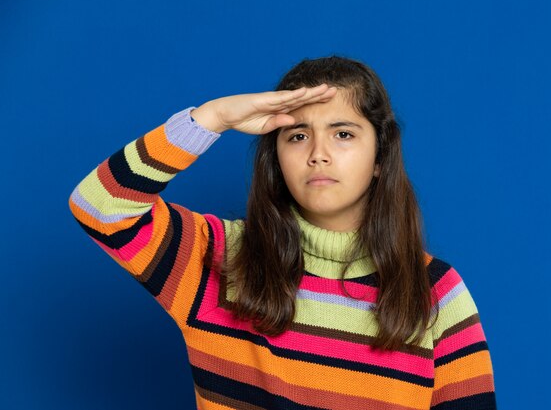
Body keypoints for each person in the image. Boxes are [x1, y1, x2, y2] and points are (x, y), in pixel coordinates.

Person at [69, 56, 496, 409]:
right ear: (276, 156)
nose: (318, 155)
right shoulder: (215, 257)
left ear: (380, 157)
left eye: (343, 134)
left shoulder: (436, 293)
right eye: (297, 136)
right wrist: (211, 118)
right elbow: (98, 207)